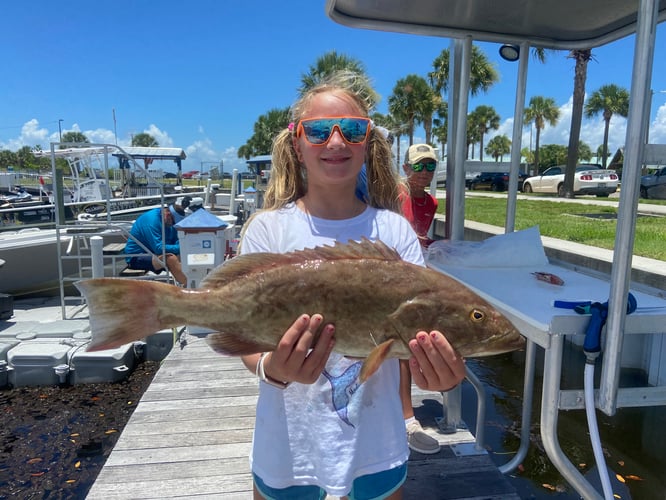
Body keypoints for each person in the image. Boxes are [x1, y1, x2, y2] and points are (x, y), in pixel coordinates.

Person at [239, 71, 466, 500]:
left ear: (368, 143)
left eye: (354, 130)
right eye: (320, 131)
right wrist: (272, 368)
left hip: (374, 449)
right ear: (297, 144)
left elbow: (412, 340)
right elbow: (246, 339)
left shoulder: (395, 233)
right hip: (288, 450)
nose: (337, 142)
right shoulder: (267, 231)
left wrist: (441, 376)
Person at [398, 144, 442, 454]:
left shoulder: (431, 202)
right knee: (401, 348)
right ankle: (405, 416)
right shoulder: (394, 197)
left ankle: (403, 412)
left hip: (419, 276)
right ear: (405, 168)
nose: (424, 172)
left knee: (410, 347)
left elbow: (424, 238)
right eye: (419, 166)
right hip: (396, 281)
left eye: (430, 166)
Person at [124, 196, 191, 286]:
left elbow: (176, 240)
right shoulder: (152, 221)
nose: (174, 225)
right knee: (170, 259)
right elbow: (159, 248)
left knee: (184, 254)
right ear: (168, 215)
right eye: (174, 223)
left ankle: (190, 281)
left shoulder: (168, 220)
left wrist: (182, 247)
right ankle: (190, 286)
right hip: (136, 257)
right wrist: (182, 247)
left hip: (152, 253)